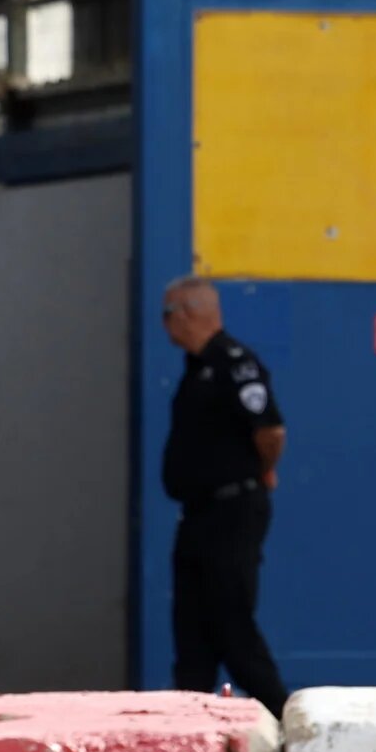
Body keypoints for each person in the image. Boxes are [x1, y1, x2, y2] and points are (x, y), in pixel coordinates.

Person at [159, 276, 290, 715]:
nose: (165, 325)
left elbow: (269, 430)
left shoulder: (234, 362)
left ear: (189, 313)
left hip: (231, 513)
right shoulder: (196, 368)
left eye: (167, 314)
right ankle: (187, 732)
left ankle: (283, 721)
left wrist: (263, 469)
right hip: (197, 516)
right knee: (192, 636)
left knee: (232, 627)